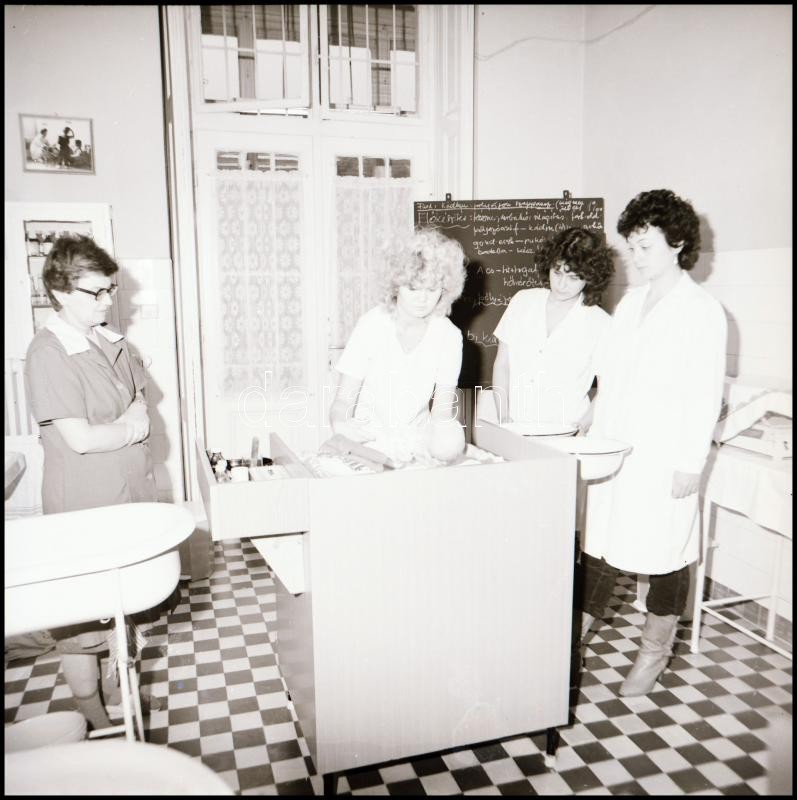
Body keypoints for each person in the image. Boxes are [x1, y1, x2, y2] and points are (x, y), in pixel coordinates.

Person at [577, 189, 727, 696]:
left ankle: (653, 653)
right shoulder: (631, 304)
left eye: (645, 247)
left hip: (666, 454)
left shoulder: (702, 310)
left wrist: (691, 462)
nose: (635, 257)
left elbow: (705, 392)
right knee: (601, 545)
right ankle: (571, 639)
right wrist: (591, 418)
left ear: (677, 243)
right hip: (616, 445)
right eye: (632, 246)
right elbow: (610, 374)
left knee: (668, 552)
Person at [22, 235, 158, 730]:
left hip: (125, 498)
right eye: (95, 292)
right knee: (81, 627)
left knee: (119, 609)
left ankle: (120, 696)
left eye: (110, 290)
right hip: (85, 506)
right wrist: (131, 428)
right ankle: (95, 720)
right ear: (61, 292)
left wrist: (130, 420)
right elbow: (80, 439)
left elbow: (140, 396)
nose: (106, 301)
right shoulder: (49, 353)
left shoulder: (108, 339)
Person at [329, 226, 467, 465]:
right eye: (413, 288)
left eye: (432, 289)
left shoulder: (449, 336)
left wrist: (444, 445)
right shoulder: (371, 325)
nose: (423, 299)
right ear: (396, 285)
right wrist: (340, 424)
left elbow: (441, 413)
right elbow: (342, 402)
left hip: (418, 448)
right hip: (367, 444)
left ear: (445, 289)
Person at [491, 227, 614, 428]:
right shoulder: (522, 302)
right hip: (515, 426)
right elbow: (502, 364)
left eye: (573, 278)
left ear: (590, 277)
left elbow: (606, 391)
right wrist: (503, 417)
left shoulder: (601, 324)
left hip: (568, 431)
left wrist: (580, 428)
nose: (562, 284)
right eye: (557, 272)